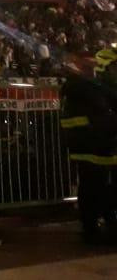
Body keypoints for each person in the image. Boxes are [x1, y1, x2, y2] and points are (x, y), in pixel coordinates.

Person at [60, 48, 117, 242]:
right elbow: (103, 113)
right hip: (91, 144)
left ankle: (100, 222)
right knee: (94, 185)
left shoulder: (86, 85)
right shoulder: (85, 86)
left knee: (97, 184)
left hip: (95, 143)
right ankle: (92, 227)